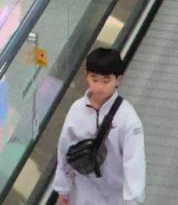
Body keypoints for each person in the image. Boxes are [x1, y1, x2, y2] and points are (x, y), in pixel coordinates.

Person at [53, 46, 145, 205]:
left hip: (115, 196)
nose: (99, 86)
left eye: (106, 80)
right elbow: (64, 150)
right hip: (81, 193)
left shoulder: (127, 118)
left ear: (118, 80)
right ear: (86, 77)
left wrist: (133, 200)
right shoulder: (77, 110)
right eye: (94, 79)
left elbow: (134, 162)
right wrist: (63, 190)